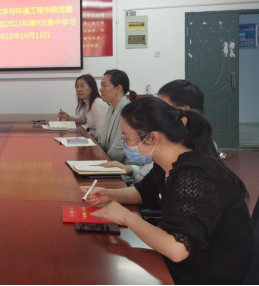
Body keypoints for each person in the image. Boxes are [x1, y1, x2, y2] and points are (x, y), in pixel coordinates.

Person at [81, 97, 253, 285]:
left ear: (153, 137)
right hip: (188, 262)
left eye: (127, 138)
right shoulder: (166, 163)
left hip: (212, 274)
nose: (125, 143)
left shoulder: (194, 175)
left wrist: (127, 217)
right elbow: (143, 192)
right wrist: (109, 194)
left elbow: (176, 249)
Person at [97, 69, 140, 177]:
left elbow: (119, 148)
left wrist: (100, 163)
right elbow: (104, 140)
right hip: (113, 163)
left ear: (118, 88)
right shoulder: (111, 108)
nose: (100, 89)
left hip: (127, 168)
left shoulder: (128, 110)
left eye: (104, 85)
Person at [58, 74, 109, 140]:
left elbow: (101, 135)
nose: (78, 89)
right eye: (77, 86)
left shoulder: (98, 104)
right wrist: (69, 118)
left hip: (101, 144)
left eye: (82, 86)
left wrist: (86, 133)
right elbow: (83, 120)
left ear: (92, 88)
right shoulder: (88, 103)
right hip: (94, 140)